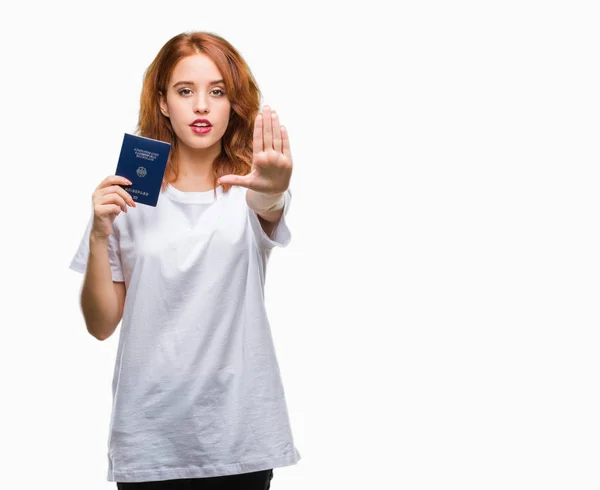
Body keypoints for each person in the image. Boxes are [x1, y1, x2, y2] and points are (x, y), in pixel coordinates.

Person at [68, 31, 301, 489]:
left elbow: (270, 208)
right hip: (150, 439)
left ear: (233, 103)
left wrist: (272, 187)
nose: (201, 106)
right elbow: (100, 326)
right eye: (185, 91)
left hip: (240, 439)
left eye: (217, 92)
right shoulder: (127, 199)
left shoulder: (250, 191)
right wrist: (99, 235)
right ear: (162, 102)